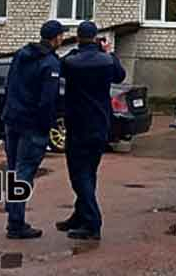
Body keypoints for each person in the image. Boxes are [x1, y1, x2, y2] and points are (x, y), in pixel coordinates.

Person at [58, 21, 126, 241]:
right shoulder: (107, 61)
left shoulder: (72, 61)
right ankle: (80, 216)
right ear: (96, 37)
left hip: (78, 125)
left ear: (78, 37)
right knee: (89, 173)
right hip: (100, 124)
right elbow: (120, 75)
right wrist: (108, 52)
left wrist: (78, 49)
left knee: (78, 175)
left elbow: (61, 66)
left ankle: (92, 223)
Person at [1, 19, 64, 240]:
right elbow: (48, 101)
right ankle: (16, 223)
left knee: (14, 170)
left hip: (12, 119)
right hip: (31, 126)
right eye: (61, 36)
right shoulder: (50, 64)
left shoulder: (21, 55)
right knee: (24, 171)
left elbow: (8, 85)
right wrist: (45, 126)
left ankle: (13, 212)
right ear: (56, 38)